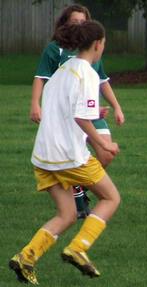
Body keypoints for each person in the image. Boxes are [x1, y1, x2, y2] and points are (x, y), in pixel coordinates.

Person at [9, 20, 121, 285]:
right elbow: (82, 119)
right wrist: (104, 144)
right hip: (68, 155)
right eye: (104, 44)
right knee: (111, 198)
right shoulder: (88, 73)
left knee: (67, 214)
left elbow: (65, 108)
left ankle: (26, 257)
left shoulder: (62, 70)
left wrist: (96, 113)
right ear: (98, 44)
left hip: (43, 156)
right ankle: (79, 247)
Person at [30, 4, 125, 218]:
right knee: (82, 153)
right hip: (68, 115)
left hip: (90, 111)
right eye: (75, 23)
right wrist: (35, 103)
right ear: (65, 24)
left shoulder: (91, 51)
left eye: (83, 23)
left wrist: (117, 107)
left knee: (106, 154)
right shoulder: (56, 49)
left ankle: (78, 187)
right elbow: (41, 78)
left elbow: (102, 80)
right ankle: (78, 191)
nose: (79, 26)